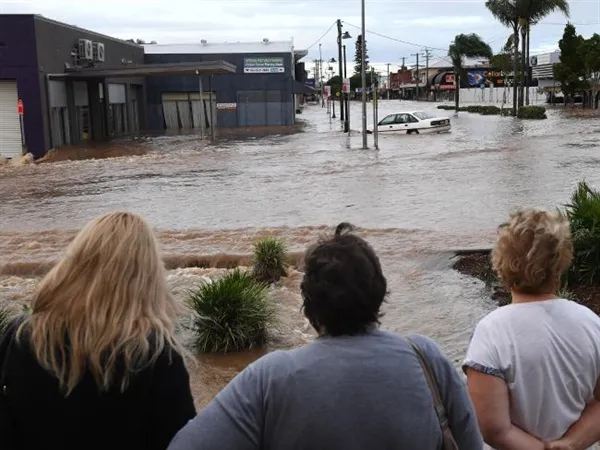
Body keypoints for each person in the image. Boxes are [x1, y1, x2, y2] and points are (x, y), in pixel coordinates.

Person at [168, 222, 483, 450]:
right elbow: (471, 443)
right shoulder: (426, 357)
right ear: (380, 293)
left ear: (308, 306)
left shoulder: (271, 377)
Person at [0, 211, 196, 450]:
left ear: (76, 262)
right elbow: (183, 442)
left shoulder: (21, 335)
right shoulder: (156, 356)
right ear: (146, 276)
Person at [464, 208, 600, 450]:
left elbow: (493, 429)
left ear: (501, 263)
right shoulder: (591, 323)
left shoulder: (491, 332)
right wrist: (569, 444)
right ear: (560, 264)